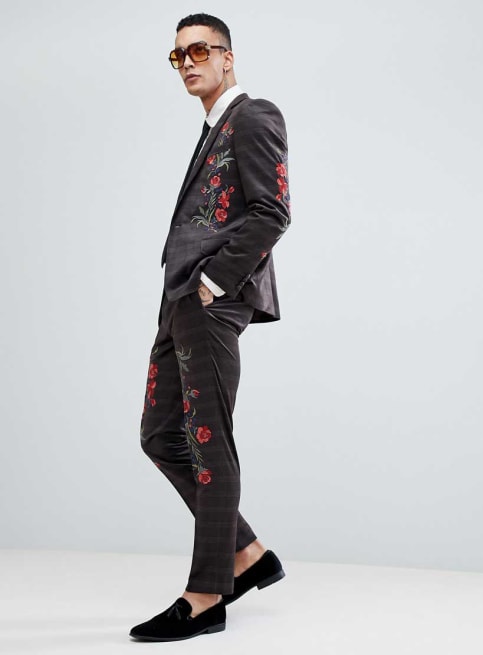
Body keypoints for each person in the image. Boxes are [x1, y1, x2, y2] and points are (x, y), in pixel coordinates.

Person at [129, 13, 291, 642]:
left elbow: (272, 211)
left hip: (209, 302)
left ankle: (205, 597)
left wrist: (213, 283)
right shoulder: (211, 129)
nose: (188, 63)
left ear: (228, 56)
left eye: (199, 50)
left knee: (206, 442)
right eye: (179, 56)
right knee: (159, 435)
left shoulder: (253, 115)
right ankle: (247, 554)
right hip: (180, 301)